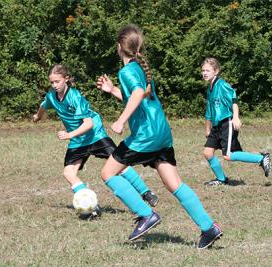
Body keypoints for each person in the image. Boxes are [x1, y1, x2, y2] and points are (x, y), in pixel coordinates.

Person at [96, 24, 222, 249]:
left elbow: (136, 94)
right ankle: (208, 228)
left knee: (107, 173)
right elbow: (140, 97)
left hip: (146, 135)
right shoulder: (141, 67)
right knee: (174, 184)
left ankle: (146, 215)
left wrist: (120, 121)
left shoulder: (126, 71)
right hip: (162, 133)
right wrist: (113, 90)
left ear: (119, 47)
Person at [33, 64, 159, 219]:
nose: (54, 85)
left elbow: (88, 123)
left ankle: (146, 192)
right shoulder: (52, 96)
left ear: (66, 79)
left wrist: (68, 134)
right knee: (68, 172)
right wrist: (38, 116)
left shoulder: (75, 96)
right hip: (78, 140)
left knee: (119, 165)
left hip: (95, 135)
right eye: (52, 82)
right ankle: (91, 206)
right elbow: (43, 105)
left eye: (57, 81)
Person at [201, 57, 271, 186]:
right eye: (203, 70)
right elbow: (209, 111)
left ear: (216, 71)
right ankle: (221, 179)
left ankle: (262, 159)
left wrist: (236, 117)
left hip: (226, 123)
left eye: (208, 70)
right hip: (216, 126)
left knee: (228, 155)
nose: (204, 73)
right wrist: (207, 128)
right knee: (207, 152)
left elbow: (234, 99)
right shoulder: (209, 89)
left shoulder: (222, 85)